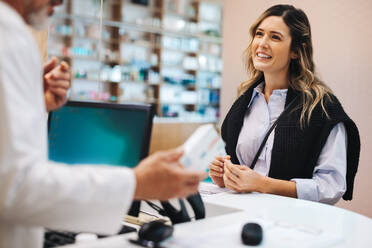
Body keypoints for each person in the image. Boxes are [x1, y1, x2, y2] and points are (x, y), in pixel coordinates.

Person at [0, 1, 206, 247]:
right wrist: (135, 183)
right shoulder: (8, 35)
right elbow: (15, 188)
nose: (60, 2)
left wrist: (30, 102)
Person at [209, 4, 360, 205]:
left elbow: (331, 187)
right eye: (259, 34)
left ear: (296, 51)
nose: (261, 43)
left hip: (294, 225)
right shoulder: (244, 101)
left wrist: (263, 184)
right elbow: (238, 164)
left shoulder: (322, 108)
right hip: (244, 214)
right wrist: (225, 175)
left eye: (275, 37)